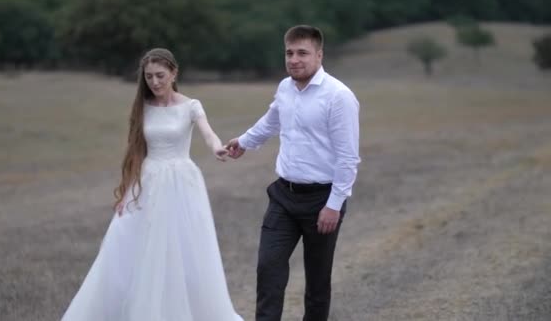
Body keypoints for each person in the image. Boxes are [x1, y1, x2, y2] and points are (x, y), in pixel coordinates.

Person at [61, 48, 243, 321]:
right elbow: (136, 152)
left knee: (183, 251)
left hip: (182, 183)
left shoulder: (191, 105)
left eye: (160, 75)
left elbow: (208, 132)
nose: (155, 82)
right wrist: (126, 191)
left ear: (174, 73)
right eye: (149, 77)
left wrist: (217, 147)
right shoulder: (142, 109)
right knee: (128, 248)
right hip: (147, 182)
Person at [225, 25, 360, 321]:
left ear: (319, 55)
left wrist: (333, 205)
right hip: (283, 197)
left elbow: (348, 158)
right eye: (289, 53)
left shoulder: (339, 96)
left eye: (302, 53)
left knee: (317, 279)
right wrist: (244, 142)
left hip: (322, 201)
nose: (294, 59)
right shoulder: (285, 87)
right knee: (268, 267)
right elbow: (272, 120)